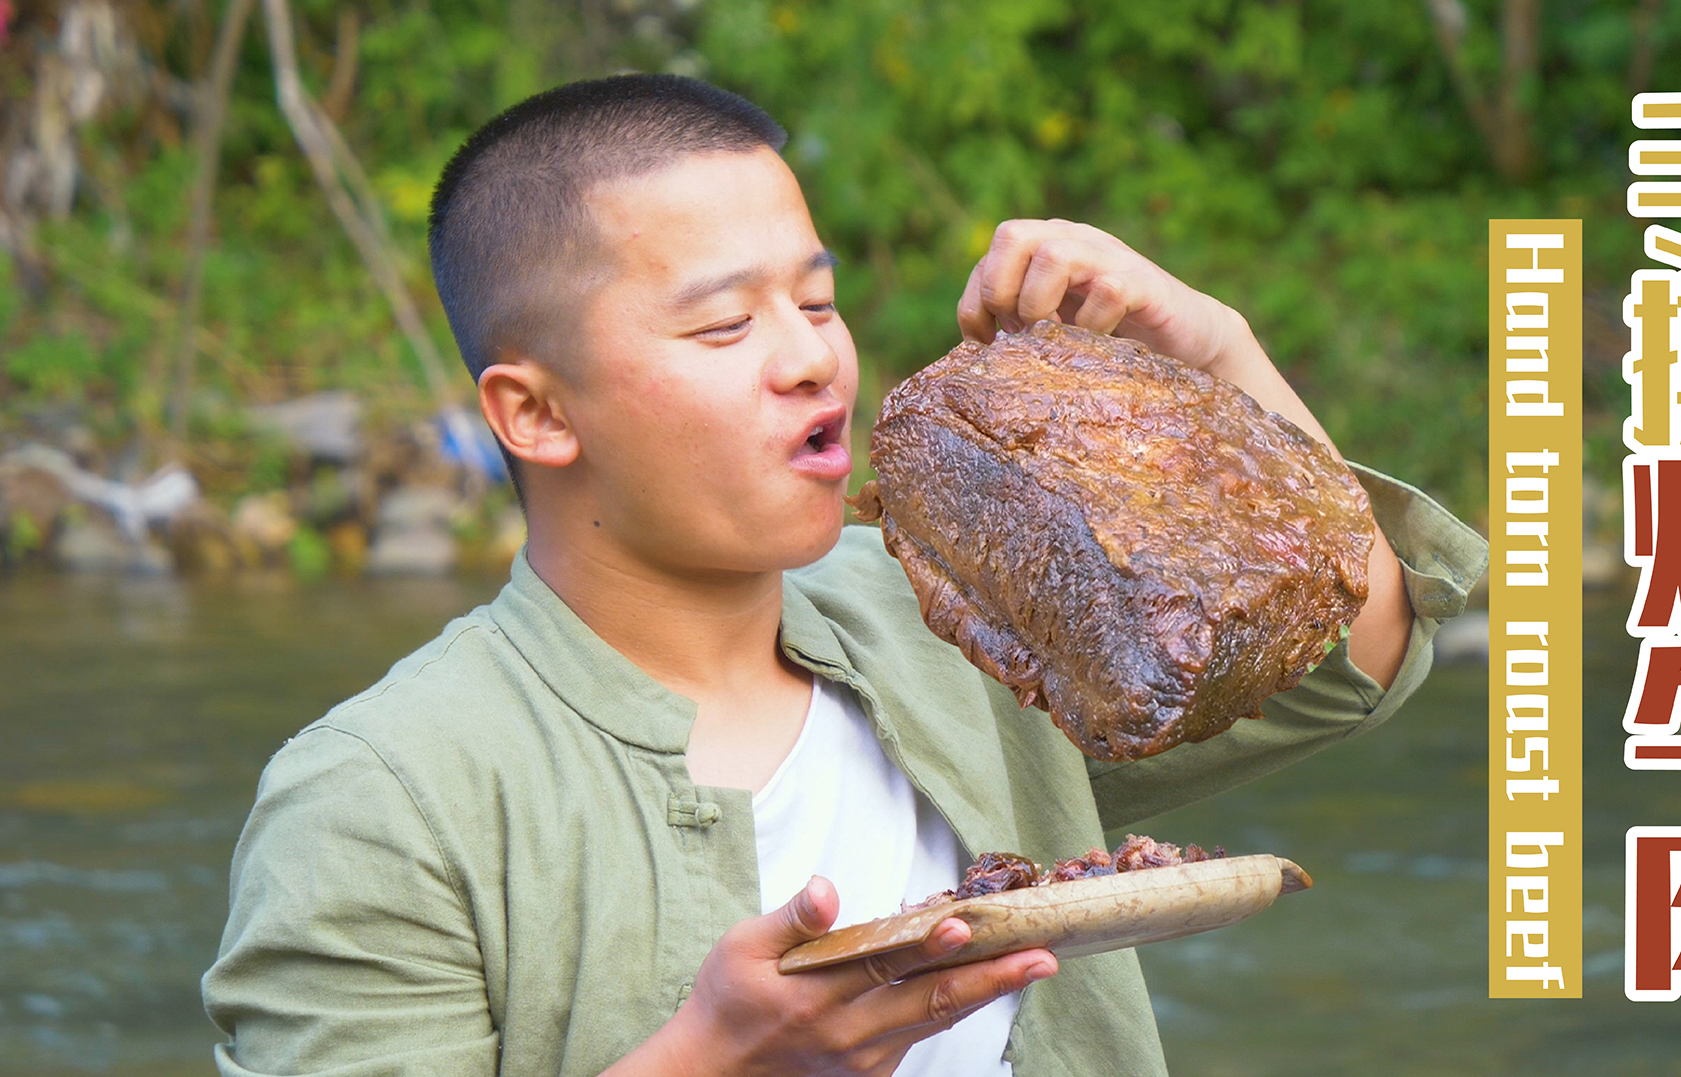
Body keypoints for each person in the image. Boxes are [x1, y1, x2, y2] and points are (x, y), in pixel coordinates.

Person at [202, 74, 1487, 1077]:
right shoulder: (379, 803)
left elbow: (1347, 658)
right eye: (723, 323)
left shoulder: (942, 610)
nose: (811, 360)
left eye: (816, 304)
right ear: (534, 413)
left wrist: (1217, 356)